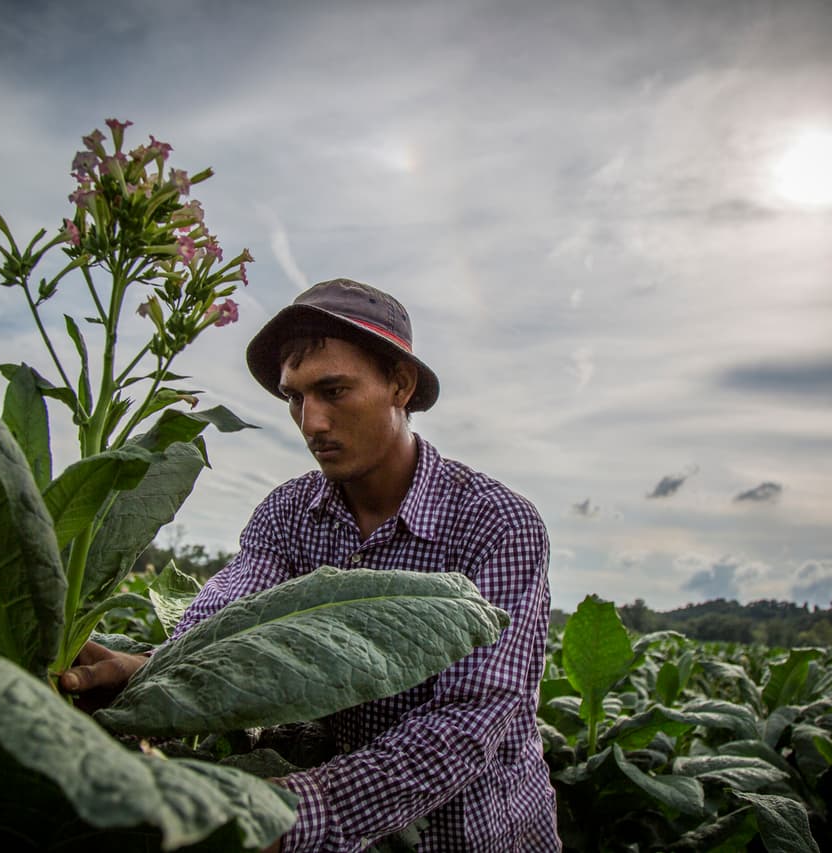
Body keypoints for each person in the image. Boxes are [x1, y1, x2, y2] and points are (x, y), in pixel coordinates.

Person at [61, 278, 561, 851]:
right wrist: (149, 673)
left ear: (400, 384)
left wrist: (290, 815)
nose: (311, 422)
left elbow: (469, 721)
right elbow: (228, 615)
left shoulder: (497, 523)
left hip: (474, 832)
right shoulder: (290, 511)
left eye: (334, 390)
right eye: (295, 397)